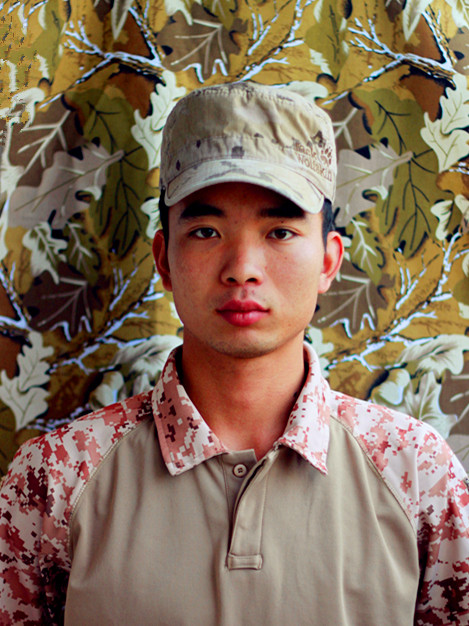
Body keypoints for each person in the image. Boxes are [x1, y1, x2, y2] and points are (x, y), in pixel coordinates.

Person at [0, 82, 468, 624]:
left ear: (328, 260)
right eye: (206, 230)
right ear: (164, 259)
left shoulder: (417, 472)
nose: (242, 268)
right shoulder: (55, 475)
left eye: (280, 232)